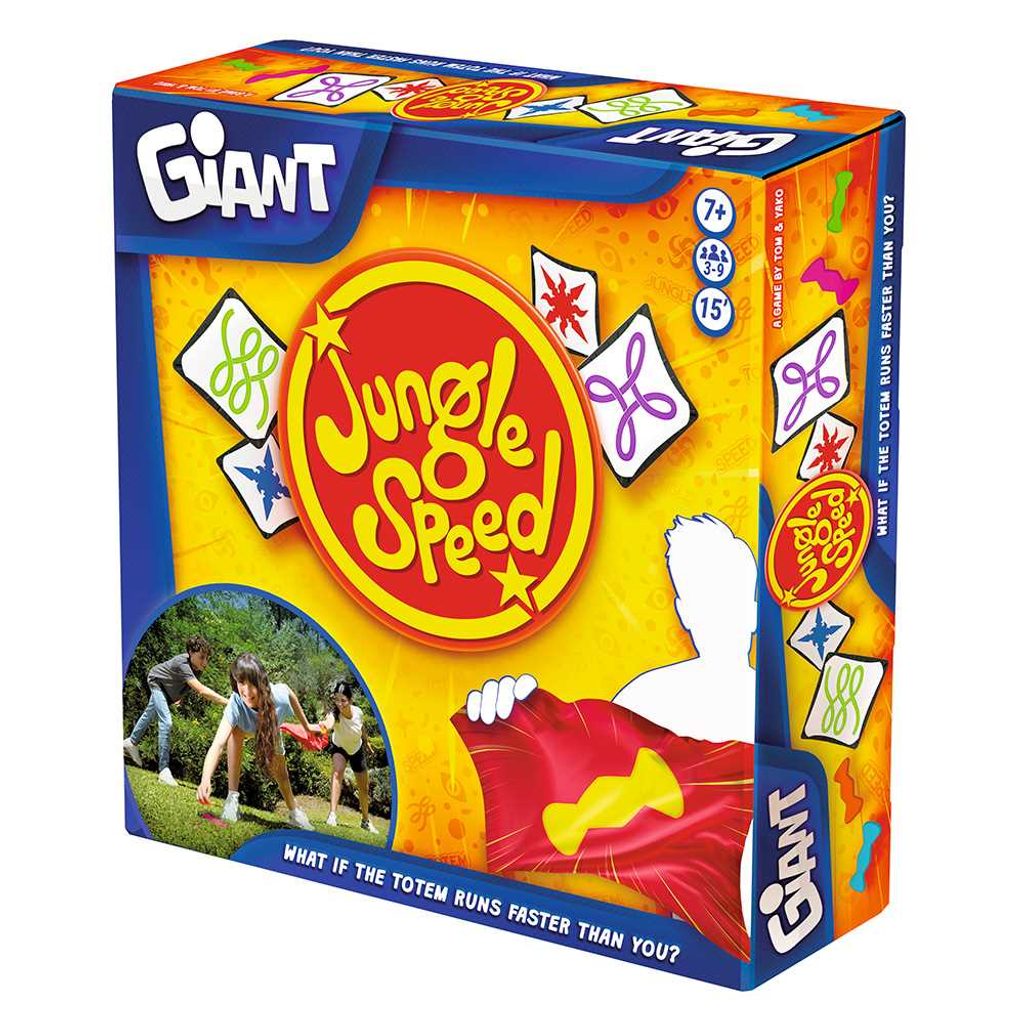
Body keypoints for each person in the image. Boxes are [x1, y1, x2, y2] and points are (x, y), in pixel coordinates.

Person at [196, 653, 317, 830]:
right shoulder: (236, 702)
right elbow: (218, 744)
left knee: (281, 773)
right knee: (234, 732)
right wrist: (205, 778)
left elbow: (290, 693)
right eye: (241, 682)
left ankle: (295, 812)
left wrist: (307, 726)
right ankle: (232, 799)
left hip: (269, 727)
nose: (246, 690)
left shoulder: (278, 697)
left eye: (251, 683)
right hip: (244, 727)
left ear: (261, 682)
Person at [123, 635, 228, 786]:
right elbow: (201, 690)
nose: (205, 663)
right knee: (166, 722)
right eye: (202, 657)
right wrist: (227, 702)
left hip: (167, 691)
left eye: (207, 658)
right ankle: (164, 770)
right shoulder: (182, 663)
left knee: (148, 714)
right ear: (191, 653)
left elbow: (186, 685)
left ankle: (131, 742)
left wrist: (179, 697)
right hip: (157, 682)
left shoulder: (197, 669)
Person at [318, 680, 378, 834]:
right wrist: (324, 726)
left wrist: (367, 742)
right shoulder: (334, 714)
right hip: (339, 747)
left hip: (356, 749)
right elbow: (329, 723)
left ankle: (365, 821)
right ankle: (332, 815)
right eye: (336, 699)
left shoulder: (358, 712)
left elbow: (362, 728)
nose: (339, 704)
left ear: (350, 700)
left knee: (363, 788)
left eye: (343, 700)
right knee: (337, 772)